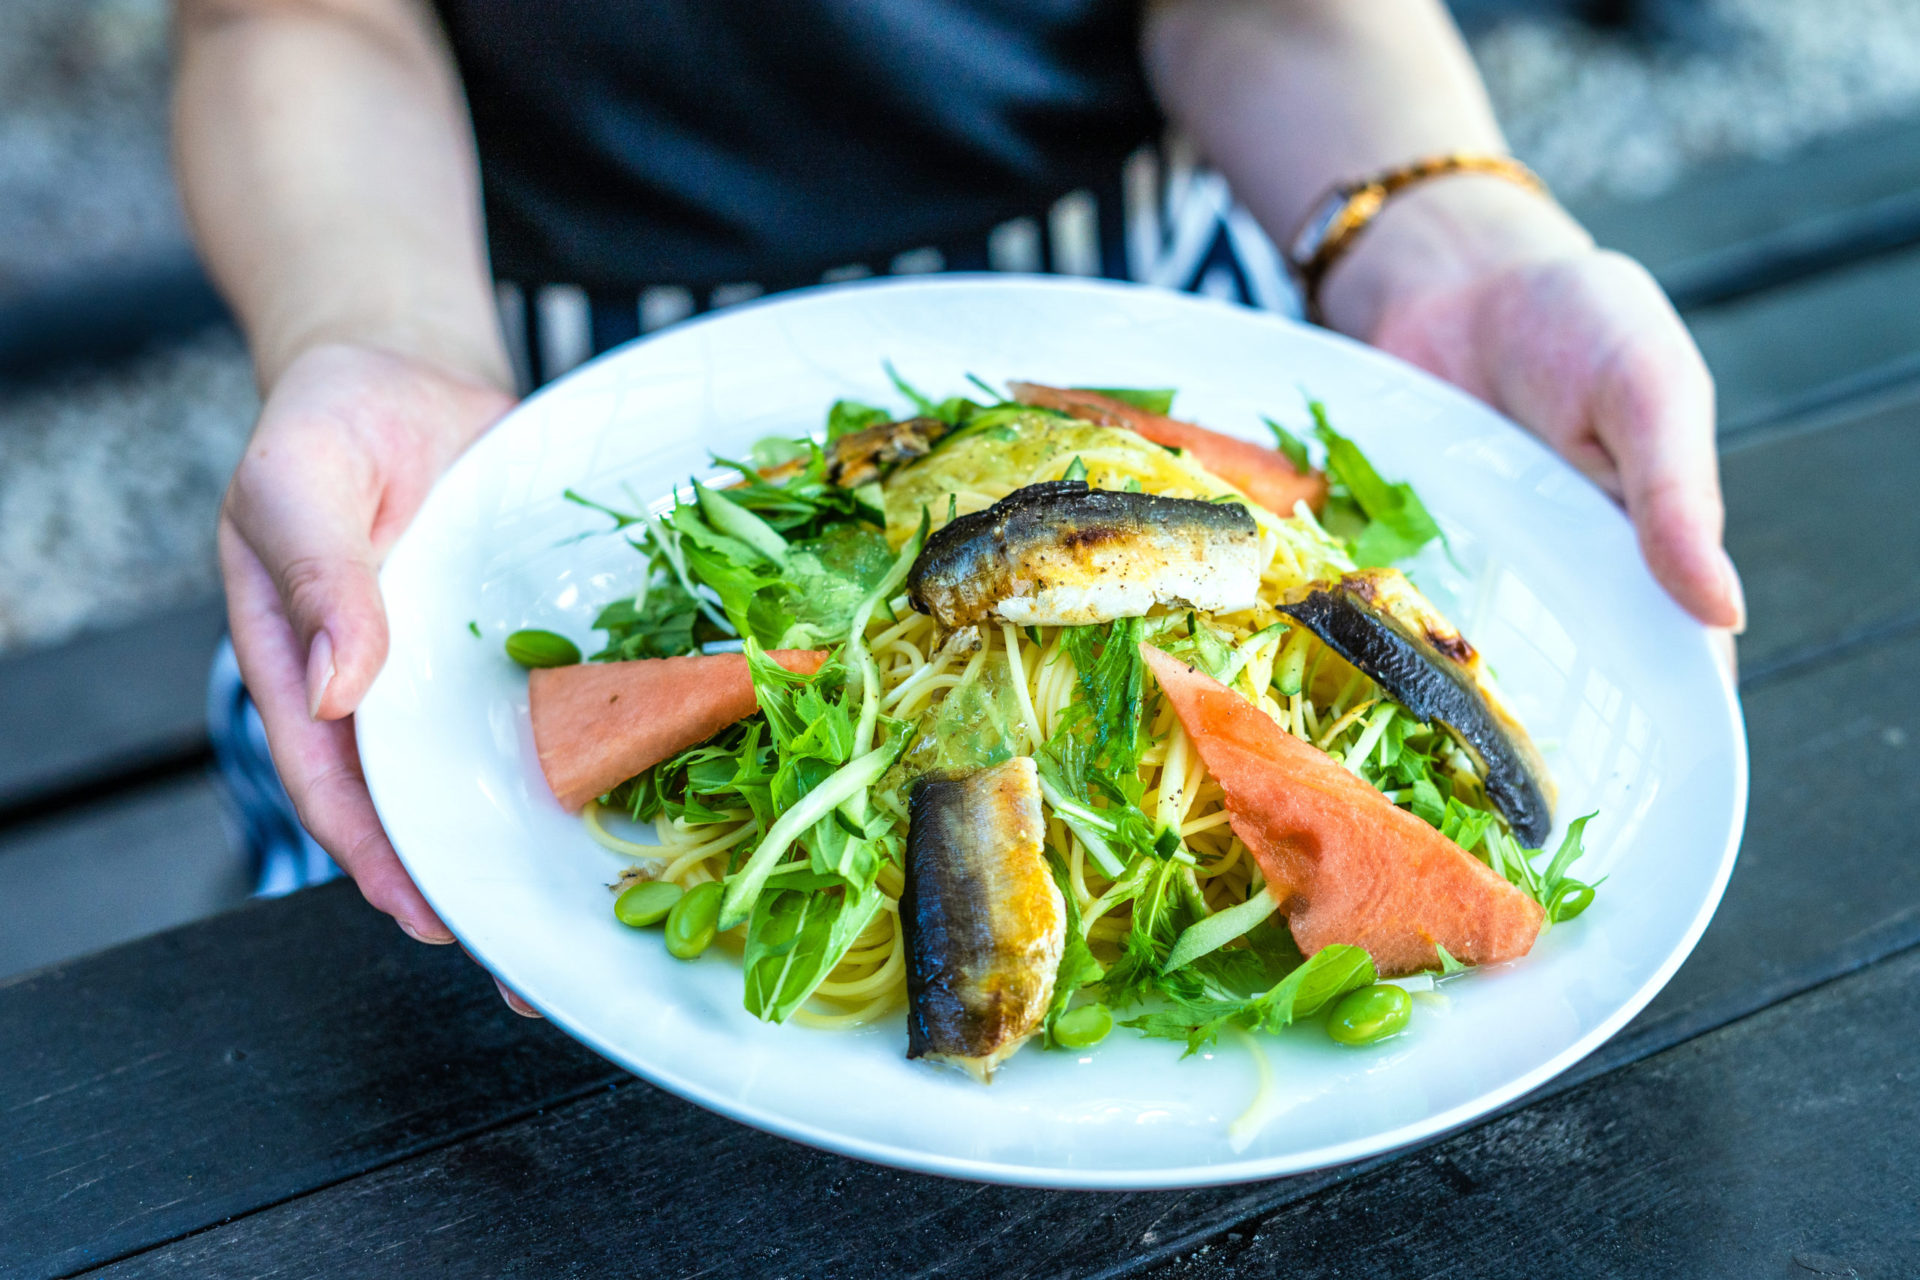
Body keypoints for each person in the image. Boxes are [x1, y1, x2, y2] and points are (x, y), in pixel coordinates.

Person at [174, 0, 1743, 1015]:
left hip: (1146, 364)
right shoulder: (484, 448)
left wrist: (1448, 244)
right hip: (513, 401)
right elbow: (294, 17)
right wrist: (377, 340)